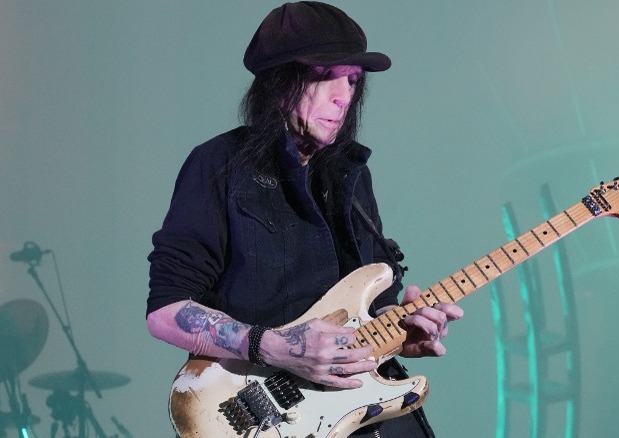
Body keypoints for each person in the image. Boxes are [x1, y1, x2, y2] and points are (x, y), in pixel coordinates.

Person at [145, 2, 463, 437]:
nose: (343, 96)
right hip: (269, 416)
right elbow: (166, 310)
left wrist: (400, 331)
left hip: (365, 415)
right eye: (324, 76)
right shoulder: (218, 165)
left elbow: (367, 303)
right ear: (279, 83)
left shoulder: (351, 173)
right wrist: (274, 347)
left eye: (352, 79)